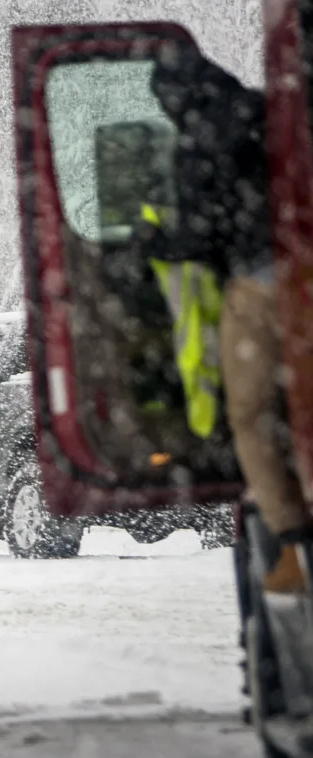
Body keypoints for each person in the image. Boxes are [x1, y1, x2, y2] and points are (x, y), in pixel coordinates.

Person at [148, 50, 311, 592]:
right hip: (305, 268)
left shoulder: (198, 142)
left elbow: (201, 235)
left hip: (262, 285)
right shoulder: (268, 109)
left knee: (251, 414)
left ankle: (294, 543)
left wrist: (155, 241)